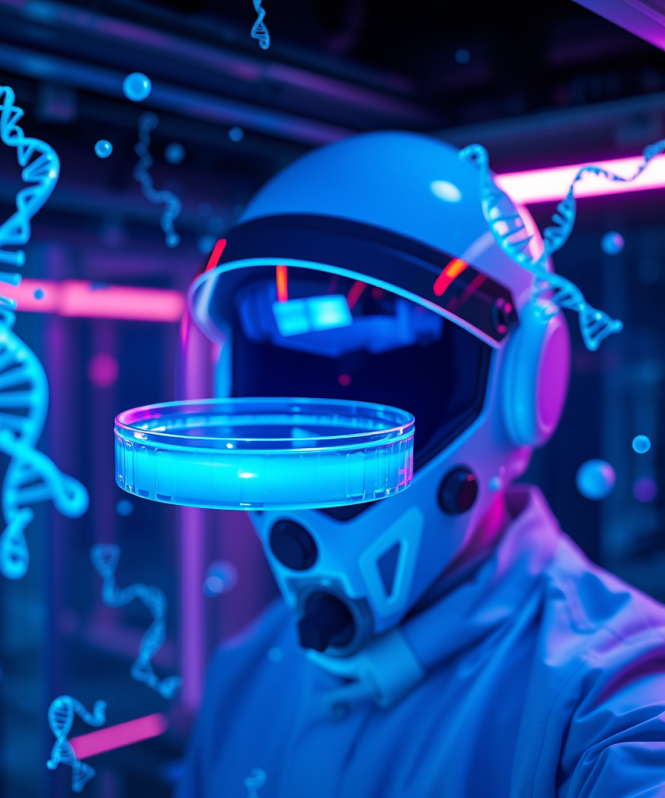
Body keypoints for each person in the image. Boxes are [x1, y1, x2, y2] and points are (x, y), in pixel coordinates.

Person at [177, 132, 665, 798]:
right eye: (293, 373)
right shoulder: (248, 670)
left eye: (390, 369)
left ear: (525, 388)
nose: (329, 442)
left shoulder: (610, 696)